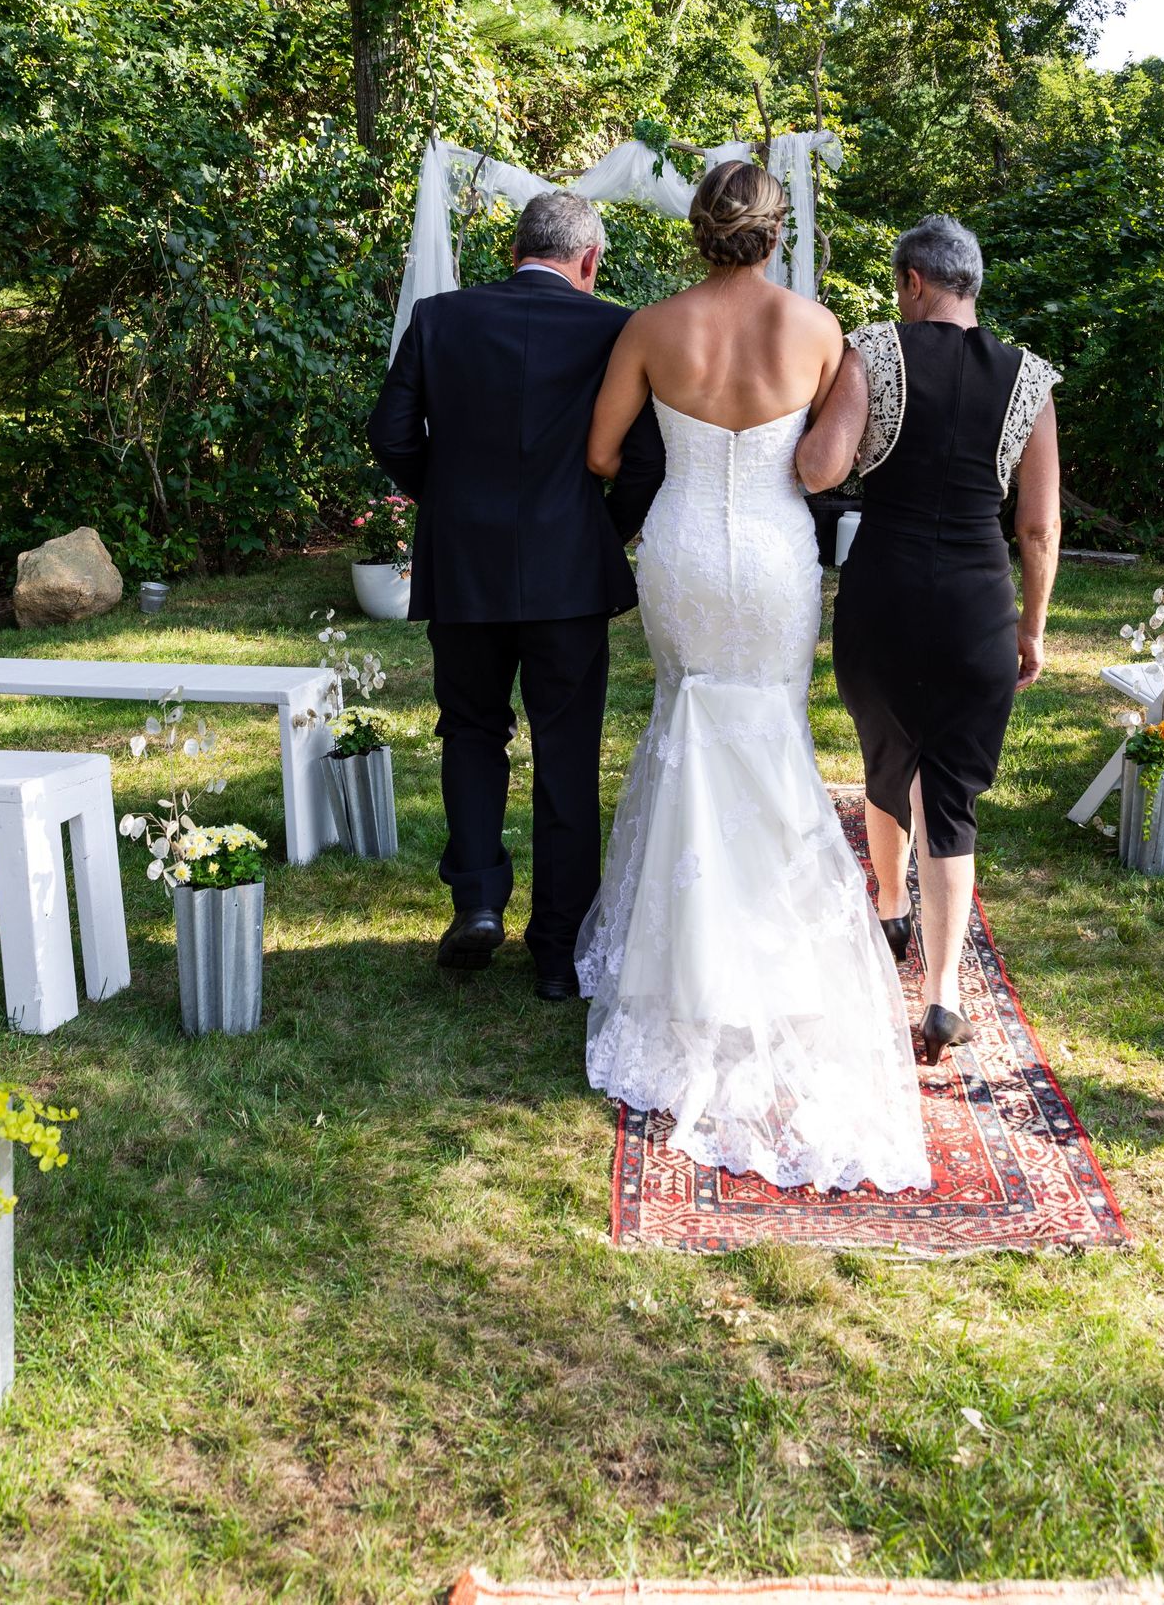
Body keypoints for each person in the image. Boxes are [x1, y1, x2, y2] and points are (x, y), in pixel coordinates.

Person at [576, 161, 930, 1196]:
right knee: (769, 734)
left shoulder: (649, 327)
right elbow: (838, 461)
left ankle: (681, 964)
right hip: (776, 555)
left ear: (696, 232)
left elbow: (603, 455)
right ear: (776, 235)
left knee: (687, 724)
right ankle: (775, 953)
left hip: (682, 548)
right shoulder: (821, 331)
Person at [368, 190, 664, 999]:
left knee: (470, 729)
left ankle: (476, 902)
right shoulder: (617, 328)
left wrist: (452, 503)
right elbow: (644, 458)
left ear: (514, 251)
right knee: (566, 752)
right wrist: (607, 531)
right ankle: (558, 952)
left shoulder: (437, 318)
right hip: (570, 571)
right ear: (590, 260)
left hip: (464, 568)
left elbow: (390, 434)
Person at [796, 214, 1061, 1065]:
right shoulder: (1030, 381)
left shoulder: (874, 350)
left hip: (884, 591)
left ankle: (888, 911)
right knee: (951, 797)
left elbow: (821, 468)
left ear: (913, 282)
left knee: (886, 758)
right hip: (978, 602)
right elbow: (1039, 526)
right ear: (971, 283)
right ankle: (943, 996)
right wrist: (1032, 628)